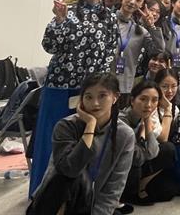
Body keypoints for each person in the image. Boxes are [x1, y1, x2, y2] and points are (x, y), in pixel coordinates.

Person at [30, 0, 119, 196]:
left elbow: (110, 53)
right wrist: (59, 20)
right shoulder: (67, 12)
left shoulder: (110, 18)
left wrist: (100, 88)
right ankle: (41, 194)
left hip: (89, 93)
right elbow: (49, 46)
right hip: (59, 87)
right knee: (51, 140)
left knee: (83, 142)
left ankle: (74, 197)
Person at [27, 73, 135, 215]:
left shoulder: (125, 134)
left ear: (115, 97)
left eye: (102, 96)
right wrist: (90, 125)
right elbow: (69, 169)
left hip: (90, 205)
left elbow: (114, 187)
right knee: (73, 177)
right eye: (89, 97)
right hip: (55, 203)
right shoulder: (66, 126)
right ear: (81, 100)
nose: (95, 103)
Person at [119, 81, 178, 206]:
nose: (149, 105)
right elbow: (138, 159)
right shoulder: (122, 121)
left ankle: (141, 186)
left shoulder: (144, 116)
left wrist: (147, 122)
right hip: (123, 170)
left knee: (168, 150)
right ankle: (128, 195)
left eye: (154, 100)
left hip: (139, 162)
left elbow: (154, 152)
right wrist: (142, 137)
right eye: (143, 99)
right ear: (132, 100)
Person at [115, 0, 165, 106]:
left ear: (142, 5)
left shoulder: (140, 31)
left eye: (138, 0)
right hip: (100, 81)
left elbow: (159, 49)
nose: (133, 2)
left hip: (123, 87)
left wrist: (152, 26)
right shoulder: (107, 20)